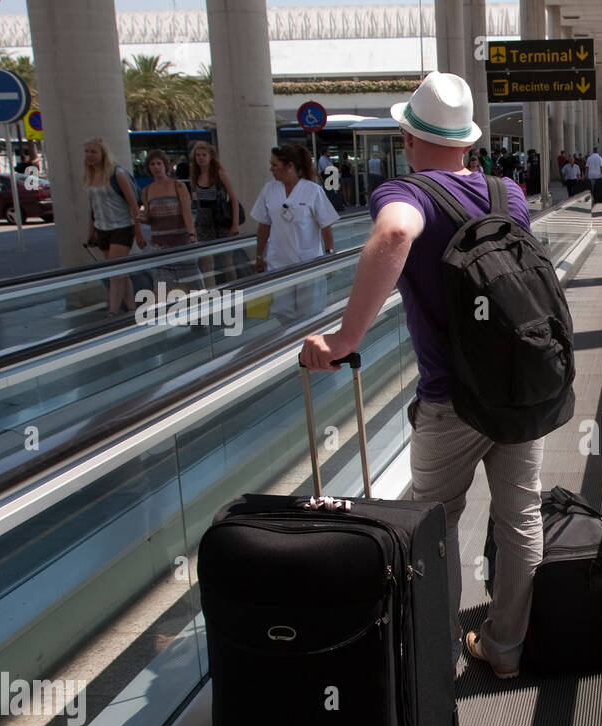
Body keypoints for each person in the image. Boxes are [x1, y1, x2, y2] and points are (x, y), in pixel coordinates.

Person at [299, 72, 542, 680]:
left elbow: (397, 232)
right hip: (521, 387)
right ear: (467, 140)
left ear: (408, 136)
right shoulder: (506, 192)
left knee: (435, 522)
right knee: (521, 518)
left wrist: (345, 339)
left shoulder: (404, 192)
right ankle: (506, 650)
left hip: (450, 398)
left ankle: (437, 659)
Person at [252, 143, 339, 321]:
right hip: (279, 263)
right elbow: (264, 224)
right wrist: (259, 256)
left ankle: (307, 348)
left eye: (275, 165)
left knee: (310, 314)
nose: (272, 169)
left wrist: (329, 256)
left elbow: (326, 226)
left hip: (309, 263)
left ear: (290, 166)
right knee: (283, 314)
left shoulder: (312, 191)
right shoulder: (270, 189)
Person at [84, 137, 145, 315]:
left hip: (121, 227)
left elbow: (134, 205)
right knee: (121, 271)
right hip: (102, 228)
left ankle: (113, 311)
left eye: (93, 151)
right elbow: (92, 208)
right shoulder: (90, 175)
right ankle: (132, 307)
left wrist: (138, 232)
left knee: (115, 271)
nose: (89, 155)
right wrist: (91, 231)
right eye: (87, 151)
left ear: (103, 154)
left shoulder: (117, 174)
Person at [141, 149, 197, 287]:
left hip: (180, 241)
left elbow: (186, 212)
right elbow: (148, 216)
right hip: (159, 245)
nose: (156, 167)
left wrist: (191, 234)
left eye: (159, 163)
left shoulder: (178, 185)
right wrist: (142, 219)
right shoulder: (147, 190)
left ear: (165, 166)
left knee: (192, 285)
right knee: (162, 287)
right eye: (152, 164)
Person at [189, 140, 241, 286]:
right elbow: (198, 202)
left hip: (220, 220)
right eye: (198, 155)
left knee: (227, 262)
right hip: (204, 222)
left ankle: (234, 290)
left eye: (204, 155)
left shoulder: (219, 174)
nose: (201, 158)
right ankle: (211, 295)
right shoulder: (195, 176)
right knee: (207, 263)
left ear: (211, 156)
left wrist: (235, 223)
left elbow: (233, 198)